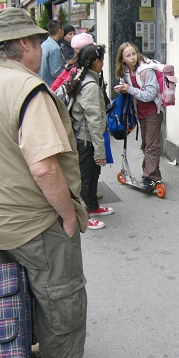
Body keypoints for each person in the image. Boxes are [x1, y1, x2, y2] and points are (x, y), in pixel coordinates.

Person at [0, 8, 88, 358]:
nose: (40, 46)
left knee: (19, 296)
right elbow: (44, 168)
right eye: (36, 41)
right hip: (34, 224)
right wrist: (69, 217)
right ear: (22, 44)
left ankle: (20, 350)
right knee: (61, 302)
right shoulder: (28, 90)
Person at [65, 44, 113, 230]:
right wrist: (100, 151)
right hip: (86, 140)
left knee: (93, 175)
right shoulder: (91, 85)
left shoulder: (84, 78)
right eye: (101, 59)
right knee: (85, 178)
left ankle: (92, 207)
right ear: (96, 62)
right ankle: (83, 215)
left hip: (85, 138)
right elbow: (94, 121)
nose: (102, 63)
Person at [113, 42, 163, 190]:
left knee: (152, 145)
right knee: (146, 145)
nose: (132, 57)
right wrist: (122, 89)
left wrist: (130, 89)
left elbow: (149, 95)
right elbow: (128, 89)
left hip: (153, 110)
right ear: (122, 59)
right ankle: (152, 174)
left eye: (134, 53)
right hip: (140, 111)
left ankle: (151, 178)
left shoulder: (147, 71)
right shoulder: (125, 72)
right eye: (128, 55)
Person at [39, 19, 65, 86]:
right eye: (63, 29)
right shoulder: (55, 48)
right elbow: (56, 72)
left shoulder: (44, 44)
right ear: (59, 31)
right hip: (51, 86)